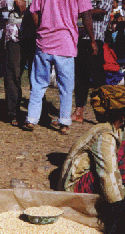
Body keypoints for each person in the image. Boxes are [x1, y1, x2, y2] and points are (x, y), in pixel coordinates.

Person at [58, 86, 125, 234]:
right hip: (75, 186)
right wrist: (120, 205)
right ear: (122, 113)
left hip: (98, 174)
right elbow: (107, 172)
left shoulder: (119, 131)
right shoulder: (105, 135)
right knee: (123, 194)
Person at [23, 0, 97, 135]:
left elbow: (33, 11)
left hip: (44, 42)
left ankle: (31, 119)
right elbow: (86, 14)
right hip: (65, 43)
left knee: (38, 83)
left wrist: (40, 29)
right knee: (66, 87)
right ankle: (64, 123)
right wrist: (92, 39)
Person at [72, 0, 114, 124]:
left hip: (95, 40)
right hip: (81, 39)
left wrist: (82, 12)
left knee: (98, 80)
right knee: (80, 78)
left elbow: (102, 10)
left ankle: (104, 114)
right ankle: (78, 112)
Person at [4, 0, 36, 126]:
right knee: (13, 73)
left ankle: (37, 113)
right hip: (15, 33)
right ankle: (13, 112)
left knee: (37, 74)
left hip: (37, 30)